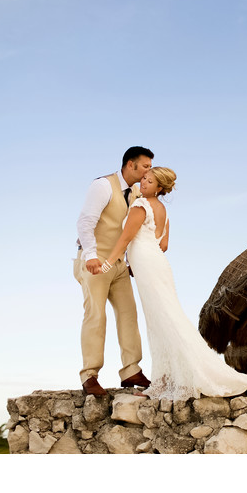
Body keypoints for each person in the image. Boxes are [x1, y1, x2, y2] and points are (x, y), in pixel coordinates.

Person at [101, 167, 247, 400]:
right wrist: (135, 259)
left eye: (149, 181)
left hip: (147, 264)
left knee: (161, 320)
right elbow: (163, 244)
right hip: (157, 263)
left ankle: (170, 381)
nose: (143, 182)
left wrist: (107, 263)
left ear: (159, 188)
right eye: (143, 178)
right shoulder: (162, 209)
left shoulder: (139, 206)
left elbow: (126, 238)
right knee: (166, 318)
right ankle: (167, 379)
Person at [74, 146, 154, 396]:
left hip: (119, 265)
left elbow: (129, 230)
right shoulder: (103, 186)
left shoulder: (137, 193)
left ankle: (131, 369)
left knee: (129, 313)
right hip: (95, 263)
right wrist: (90, 256)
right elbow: (85, 222)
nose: (147, 172)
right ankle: (90, 375)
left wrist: (129, 261)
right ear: (130, 165)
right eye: (145, 167)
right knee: (96, 315)